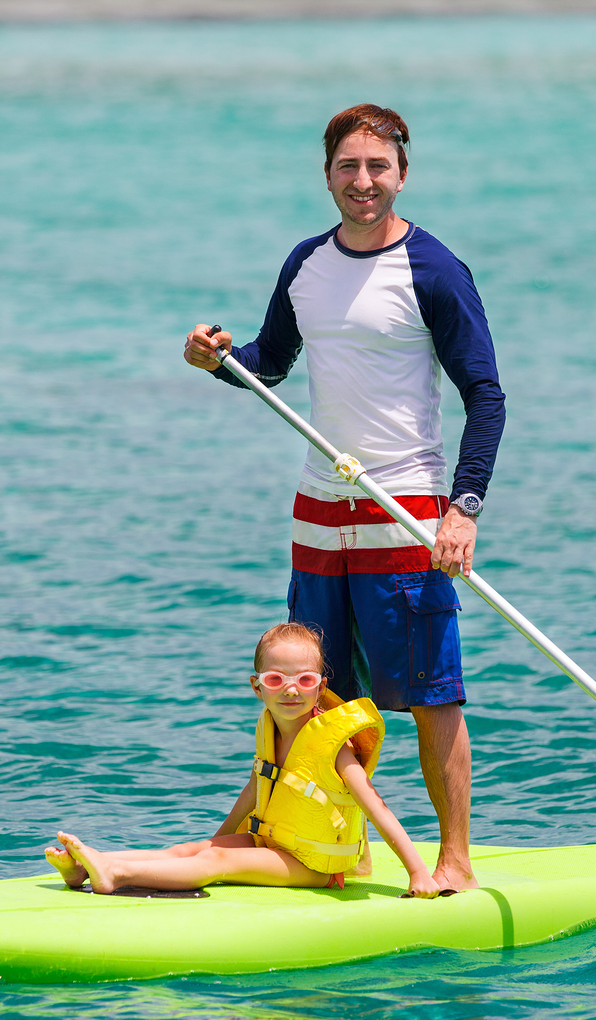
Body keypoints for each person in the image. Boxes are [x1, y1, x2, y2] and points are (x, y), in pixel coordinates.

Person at [180, 104, 505, 892]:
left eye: (378, 168)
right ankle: (342, 851)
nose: (363, 183)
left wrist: (463, 508)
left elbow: (485, 395)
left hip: (408, 511)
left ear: (402, 172)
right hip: (319, 516)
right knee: (325, 698)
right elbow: (273, 362)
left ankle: (455, 858)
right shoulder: (306, 265)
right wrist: (219, 359)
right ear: (327, 174)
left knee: (431, 695)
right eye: (348, 168)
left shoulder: (435, 271)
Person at [46, 623, 441, 899]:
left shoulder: (333, 746)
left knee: (217, 861)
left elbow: (377, 808)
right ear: (257, 687)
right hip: (272, 842)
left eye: (304, 680)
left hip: (314, 867)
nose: (290, 690)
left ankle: (115, 874)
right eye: (276, 680)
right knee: (192, 850)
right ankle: (87, 868)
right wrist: (213, 839)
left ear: (320, 688)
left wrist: (418, 872)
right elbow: (255, 791)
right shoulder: (271, 730)